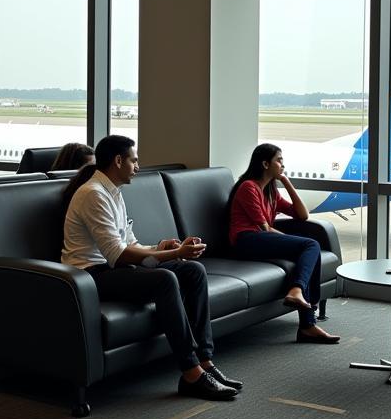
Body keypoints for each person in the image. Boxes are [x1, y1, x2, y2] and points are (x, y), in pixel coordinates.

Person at [62, 134, 241, 401]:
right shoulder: (93, 194)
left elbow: (131, 244)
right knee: (165, 280)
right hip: (89, 275)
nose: (137, 166)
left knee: (193, 271)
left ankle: (205, 361)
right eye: (134, 160)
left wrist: (163, 247)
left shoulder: (114, 192)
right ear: (118, 160)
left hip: (112, 268)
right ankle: (191, 373)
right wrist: (174, 253)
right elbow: (116, 255)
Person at [227, 143, 339, 344]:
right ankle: (302, 307)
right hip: (246, 240)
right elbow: (264, 229)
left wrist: (286, 181)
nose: (282, 165)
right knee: (310, 246)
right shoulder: (248, 187)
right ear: (264, 163)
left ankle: (307, 324)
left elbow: (302, 215)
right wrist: (292, 240)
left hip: (259, 239)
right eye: (279, 160)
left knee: (307, 254)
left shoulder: (270, 192)